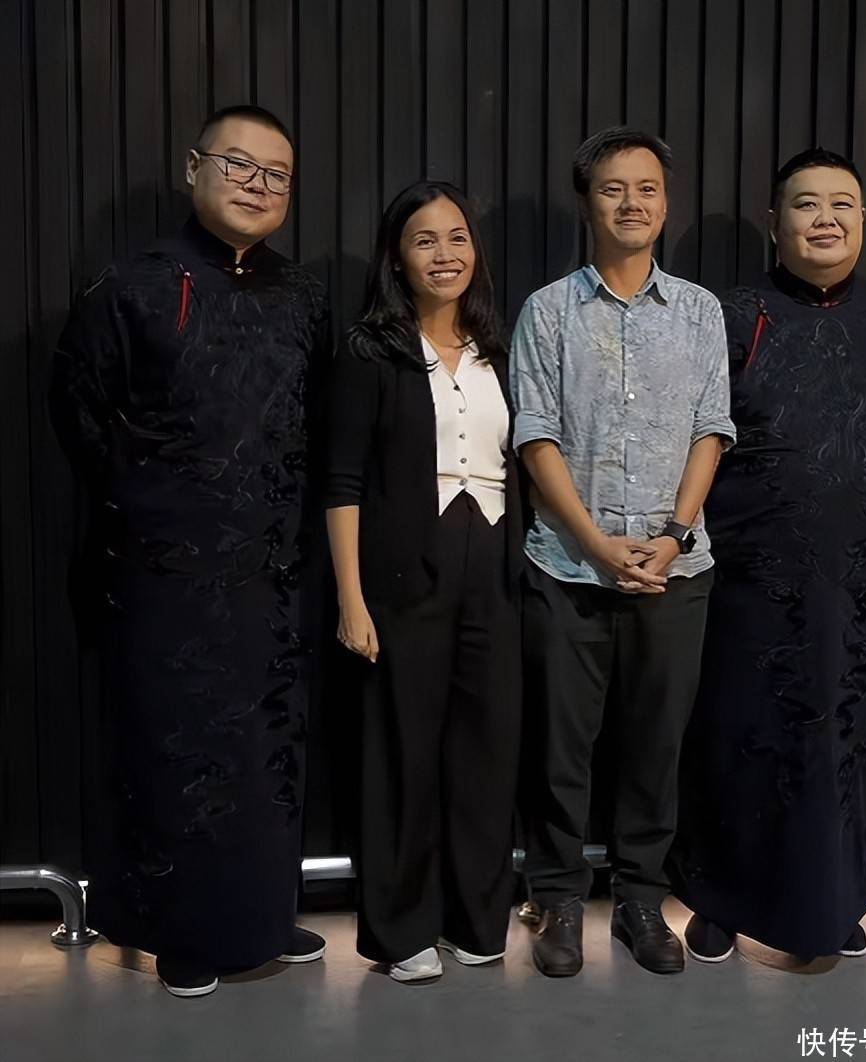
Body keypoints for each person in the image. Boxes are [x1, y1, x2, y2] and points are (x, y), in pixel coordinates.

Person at [50, 105, 332, 997]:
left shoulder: (303, 296)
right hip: (162, 571)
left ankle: (261, 918)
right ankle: (179, 935)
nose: (257, 185)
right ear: (193, 167)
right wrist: (154, 504)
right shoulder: (131, 286)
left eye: (276, 174)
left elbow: (320, 424)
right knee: (175, 753)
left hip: (273, 568)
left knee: (267, 750)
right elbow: (78, 410)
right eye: (239, 164)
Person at [668, 148, 866, 963]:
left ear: (864, 219)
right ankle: (718, 900)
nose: (826, 219)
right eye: (806, 204)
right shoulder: (733, 315)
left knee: (846, 745)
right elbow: (696, 436)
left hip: (862, 583)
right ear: (775, 222)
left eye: (842, 204)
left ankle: (837, 897)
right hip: (754, 580)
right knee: (741, 737)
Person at [510, 127, 736, 977]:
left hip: (677, 571)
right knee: (561, 749)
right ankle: (559, 899)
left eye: (647, 188)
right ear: (587, 203)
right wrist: (597, 544)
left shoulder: (701, 311)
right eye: (614, 188)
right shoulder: (547, 311)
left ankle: (642, 898)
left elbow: (712, 427)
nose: (632, 202)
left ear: (665, 203)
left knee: (656, 745)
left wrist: (673, 535)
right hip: (567, 567)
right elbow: (536, 436)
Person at [324, 181, 523, 984]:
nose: (445, 254)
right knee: (401, 753)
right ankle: (402, 930)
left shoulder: (499, 348)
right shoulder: (369, 351)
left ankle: (476, 919)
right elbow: (342, 481)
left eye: (457, 237)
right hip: (403, 568)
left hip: (496, 567)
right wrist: (351, 600)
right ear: (397, 259)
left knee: (486, 752)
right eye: (424, 240)